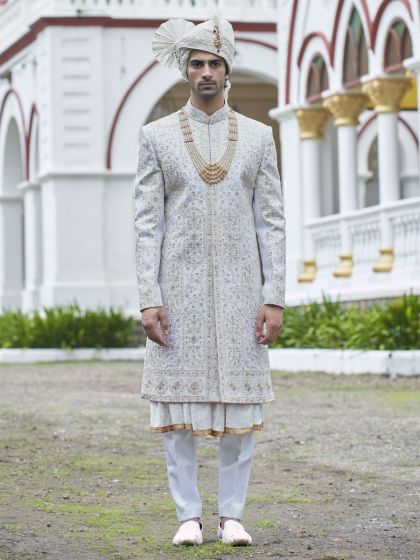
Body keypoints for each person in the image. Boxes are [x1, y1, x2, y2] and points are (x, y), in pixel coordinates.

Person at [133, 15, 286, 547]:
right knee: (177, 411)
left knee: (239, 407)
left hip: (243, 293)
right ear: (185, 70)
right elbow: (146, 222)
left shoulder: (260, 138)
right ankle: (187, 517)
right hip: (179, 292)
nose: (205, 72)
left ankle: (233, 516)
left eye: (214, 64)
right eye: (196, 63)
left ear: (227, 71)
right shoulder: (155, 137)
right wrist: (149, 297)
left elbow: (272, 221)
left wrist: (275, 297)